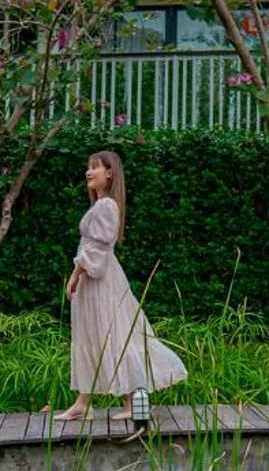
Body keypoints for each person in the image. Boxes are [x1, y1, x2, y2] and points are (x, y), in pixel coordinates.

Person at [52, 150, 188, 422]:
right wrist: (78, 271)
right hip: (95, 278)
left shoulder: (106, 207)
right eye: (88, 167)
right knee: (96, 334)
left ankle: (130, 400)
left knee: (111, 333)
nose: (88, 172)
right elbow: (92, 244)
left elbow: (99, 244)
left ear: (109, 172)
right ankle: (84, 401)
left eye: (95, 167)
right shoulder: (102, 205)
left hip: (99, 279)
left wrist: (76, 273)